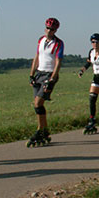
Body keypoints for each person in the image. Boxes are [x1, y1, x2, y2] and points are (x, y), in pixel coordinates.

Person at [27, 17, 64, 147]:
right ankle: (45, 129)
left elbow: (58, 62)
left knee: (38, 102)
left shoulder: (59, 43)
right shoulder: (40, 40)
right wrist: (32, 74)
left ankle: (39, 130)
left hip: (49, 75)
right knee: (37, 105)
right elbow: (37, 57)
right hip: (39, 73)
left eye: (52, 29)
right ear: (45, 28)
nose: (49, 31)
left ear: (55, 30)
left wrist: (53, 78)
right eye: (48, 28)